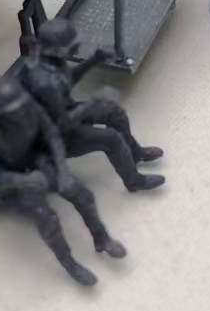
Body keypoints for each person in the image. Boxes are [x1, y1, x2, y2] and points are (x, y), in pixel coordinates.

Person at [0, 76, 125, 287]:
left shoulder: (28, 104)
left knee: (80, 193)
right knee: (47, 218)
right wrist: (23, 180)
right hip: (11, 180)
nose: (22, 113)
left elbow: (52, 134)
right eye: (14, 112)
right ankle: (70, 264)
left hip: (35, 158)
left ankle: (102, 238)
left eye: (23, 106)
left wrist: (62, 171)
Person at [14, 17, 164, 191]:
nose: (77, 48)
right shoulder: (44, 82)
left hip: (63, 111)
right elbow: (63, 123)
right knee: (111, 139)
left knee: (114, 112)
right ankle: (134, 181)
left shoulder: (48, 60)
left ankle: (134, 153)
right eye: (72, 46)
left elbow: (66, 80)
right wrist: (94, 101)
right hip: (54, 136)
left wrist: (95, 59)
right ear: (56, 50)